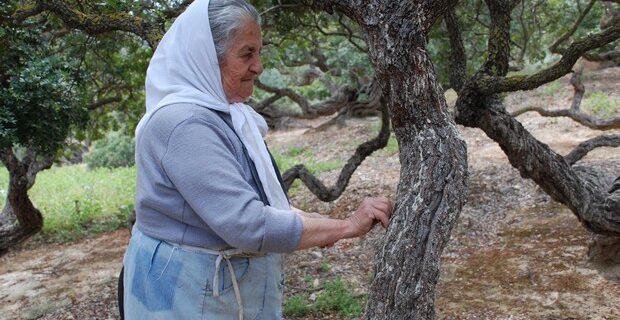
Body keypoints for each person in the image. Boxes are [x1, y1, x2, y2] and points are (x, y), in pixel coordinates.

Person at [121, 0, 393, 319]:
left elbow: (263, 201)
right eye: (247, 53)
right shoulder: (185, 124)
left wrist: (328, 225)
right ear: (207, 58)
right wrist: (346, 227)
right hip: (187, 295)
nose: (259, 66)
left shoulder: (224, 115)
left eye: (258, 52)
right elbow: (248, 224)